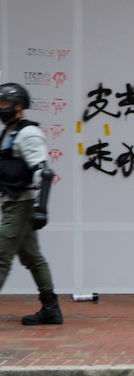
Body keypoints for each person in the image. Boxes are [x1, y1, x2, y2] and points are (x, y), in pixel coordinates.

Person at [0, 82, 62, 325]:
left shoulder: (29, 134)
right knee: (33, 257)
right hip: (13, 203)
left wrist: (41, 208)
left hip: (20, 206)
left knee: (1, 256)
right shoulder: (9, 133)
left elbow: (43, 172)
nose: (1, 109)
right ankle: (51, 308)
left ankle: (51, 307)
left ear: (19, 106)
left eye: (4, 105)